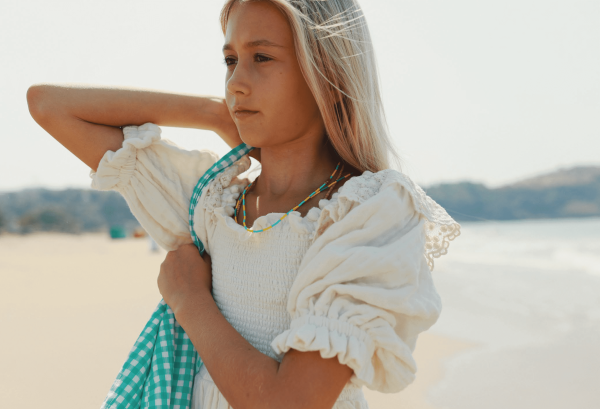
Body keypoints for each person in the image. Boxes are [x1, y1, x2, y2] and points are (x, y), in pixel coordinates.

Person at [26, 0, 460, 408]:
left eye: (262, 58)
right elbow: (49, 105)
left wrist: (190, 299)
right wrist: (214, 113)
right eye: (230, 60)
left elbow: (288, 402)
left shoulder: (367, 213)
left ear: (326, 71)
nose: (236, 82)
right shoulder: (213, 202)